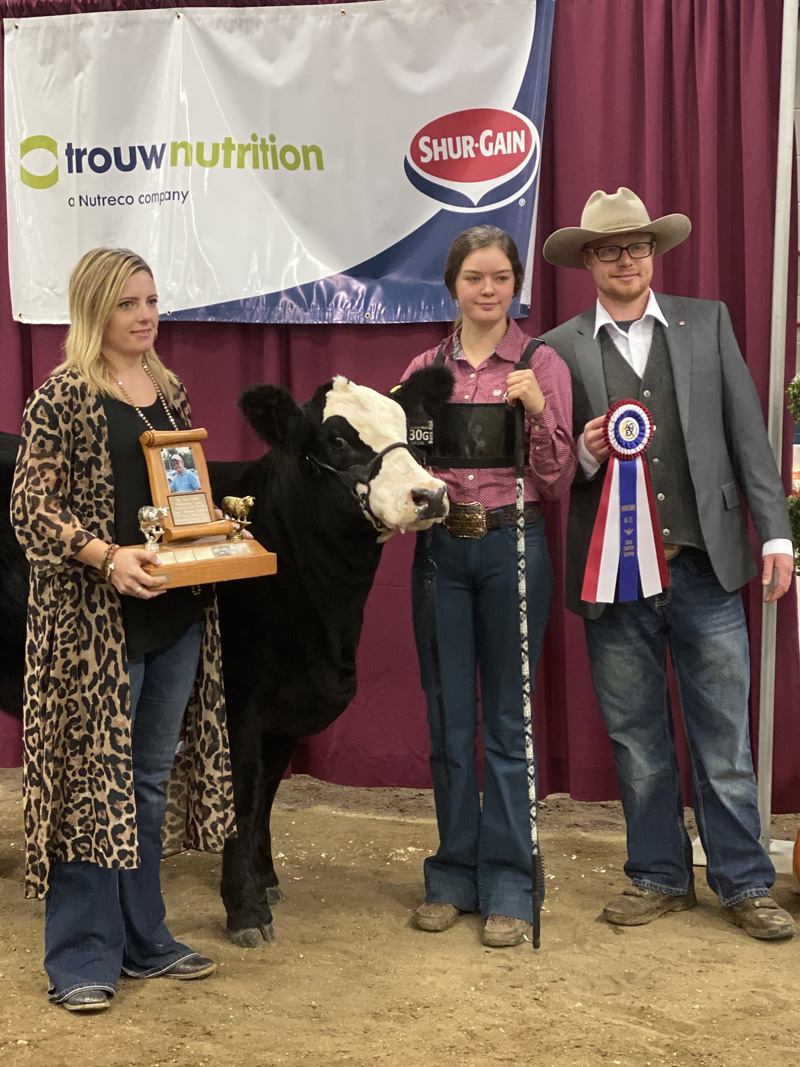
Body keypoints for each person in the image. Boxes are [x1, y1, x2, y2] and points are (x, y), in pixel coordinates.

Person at [541, 187, 795, 941]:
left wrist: (775, 533)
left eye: (639, 247)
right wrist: (585, 456)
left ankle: (745, 882)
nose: (628, 261)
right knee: (637, 739)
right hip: (612, 577)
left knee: (725, 739)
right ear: (588, 260)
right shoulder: (557, 346)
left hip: (707, 565)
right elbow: (549, 469)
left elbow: (749, 433)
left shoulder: (706, 321)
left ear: (655, 253)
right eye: (612, 249)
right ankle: (657, 873)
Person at [11, 248, 235, 1012]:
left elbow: (182, 498)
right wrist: (105, 558)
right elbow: (30, 509)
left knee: (145, 781)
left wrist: (216, 540)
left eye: (151, 299)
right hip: (94, 624)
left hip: (173, 612)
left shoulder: (167, 389)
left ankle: (145, 938)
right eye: (127, 303)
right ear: (94, 312)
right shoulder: (62, 395)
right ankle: (81, 955)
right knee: (89, 784)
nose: (145, 314)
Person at [401, 225, 577, 947]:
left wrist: (538, 409)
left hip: (515, 543)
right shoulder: (423, 367)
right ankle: (452, 873)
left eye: (500, 276)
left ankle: (508, 879)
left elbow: (556, 478)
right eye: (474, 276)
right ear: (454, 284)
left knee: (508, 721)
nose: (487, 289)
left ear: (515, 284)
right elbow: (405, 474)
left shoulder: (542, 363)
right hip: (444, 548)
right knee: (449, 721)